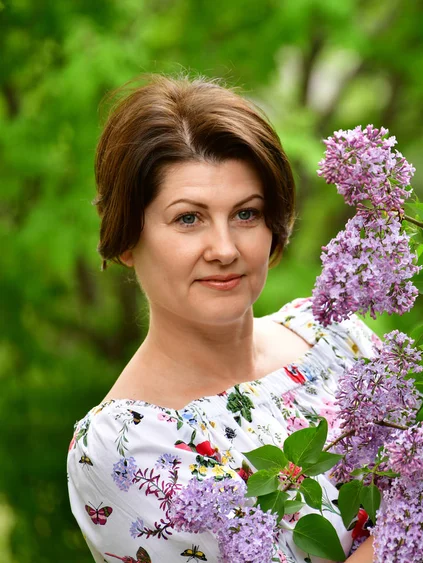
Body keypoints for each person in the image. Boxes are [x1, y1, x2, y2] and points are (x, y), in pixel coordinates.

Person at [67, 74, 377, 562]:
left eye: (246, 214)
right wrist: (419, 524)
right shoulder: (123, 447)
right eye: (188, 218)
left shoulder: (334, 335)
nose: (225, 249)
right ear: (127, 238)